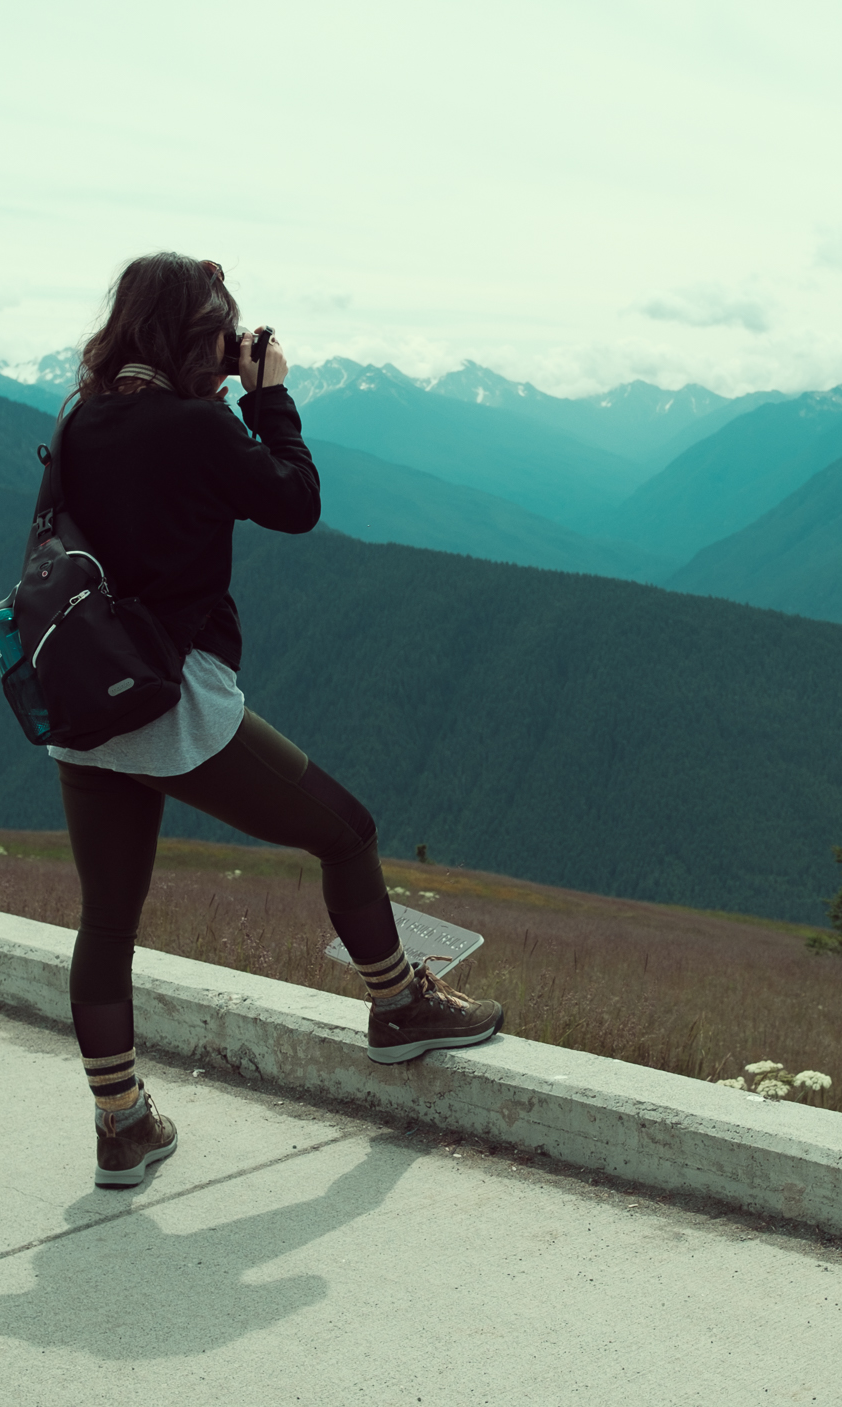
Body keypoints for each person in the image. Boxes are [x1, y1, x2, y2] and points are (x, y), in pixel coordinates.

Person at [45, 252, 502, 1189]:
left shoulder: (81, 420)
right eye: (220, 328)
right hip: (173, 702)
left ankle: (121, 1122)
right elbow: (296, 503)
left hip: (85, 700)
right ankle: (396, 1008)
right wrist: (271, 398)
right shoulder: (197, 424)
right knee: (349, 832)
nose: (229, 344)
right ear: (192, 334)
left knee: (108, 921)